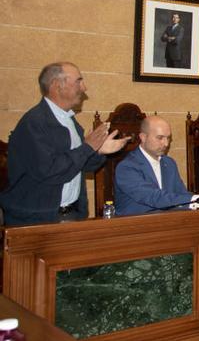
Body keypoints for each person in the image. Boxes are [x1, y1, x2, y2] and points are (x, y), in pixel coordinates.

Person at [0, 62, 129, 226]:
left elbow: (79, 165)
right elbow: (50, 171)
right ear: (56, 85)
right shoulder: (34, 123)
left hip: (71, 214)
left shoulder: (69, 120)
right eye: (78, 81)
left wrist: (99, 152)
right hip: (37, 220)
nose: (84, 87)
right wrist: (88, 147)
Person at [114, 116, 199, 216]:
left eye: (168, 138)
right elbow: (153, 197)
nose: (166, 144)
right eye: (160, 138)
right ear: (143, 137)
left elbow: (180, 194)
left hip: (166, 223)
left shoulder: (169, 163)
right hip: (134, 226)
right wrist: (192, 199)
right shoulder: (127, 167)